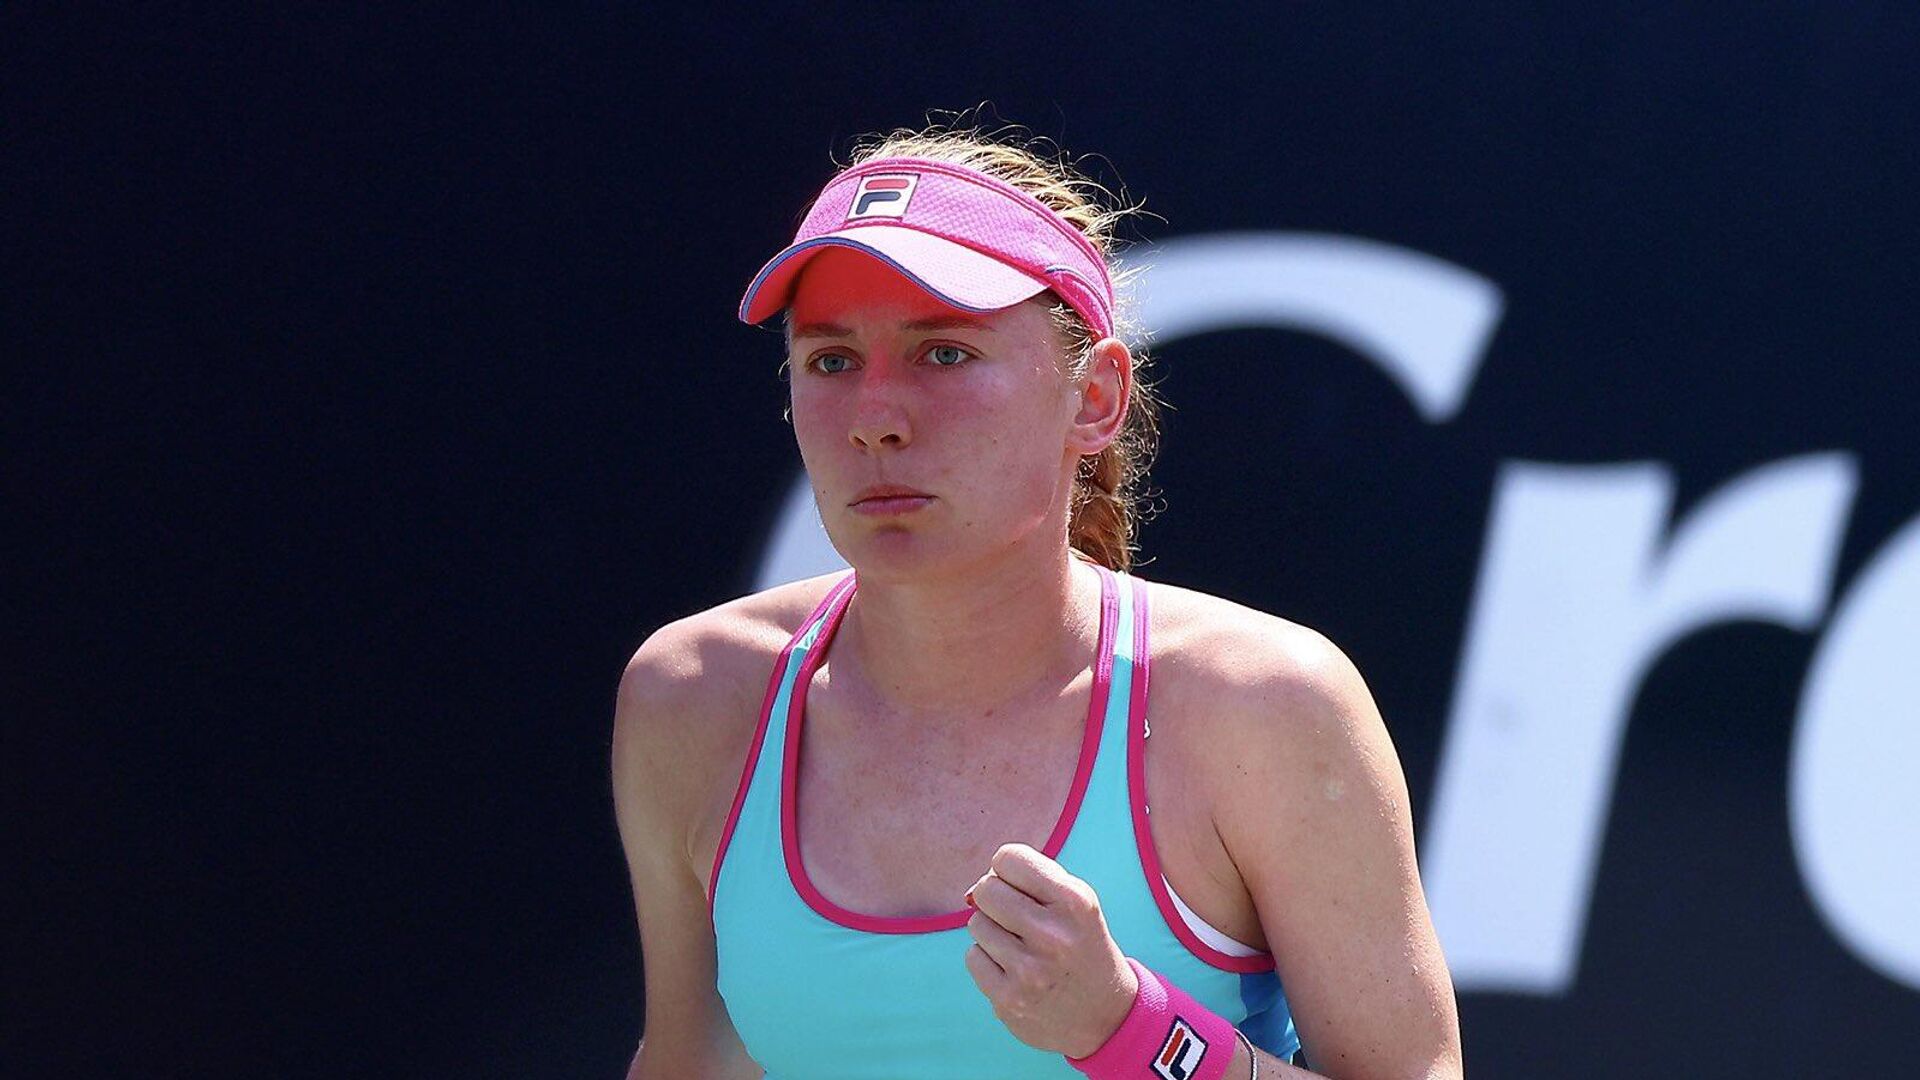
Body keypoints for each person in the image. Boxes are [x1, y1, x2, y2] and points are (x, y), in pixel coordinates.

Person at [611, 120, 1463, 1080]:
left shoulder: (1267, 705)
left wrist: (1133, 1031)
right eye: (832, 360)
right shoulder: (690, 696)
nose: (875, 420)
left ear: (1094, 398)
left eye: (944, 354)